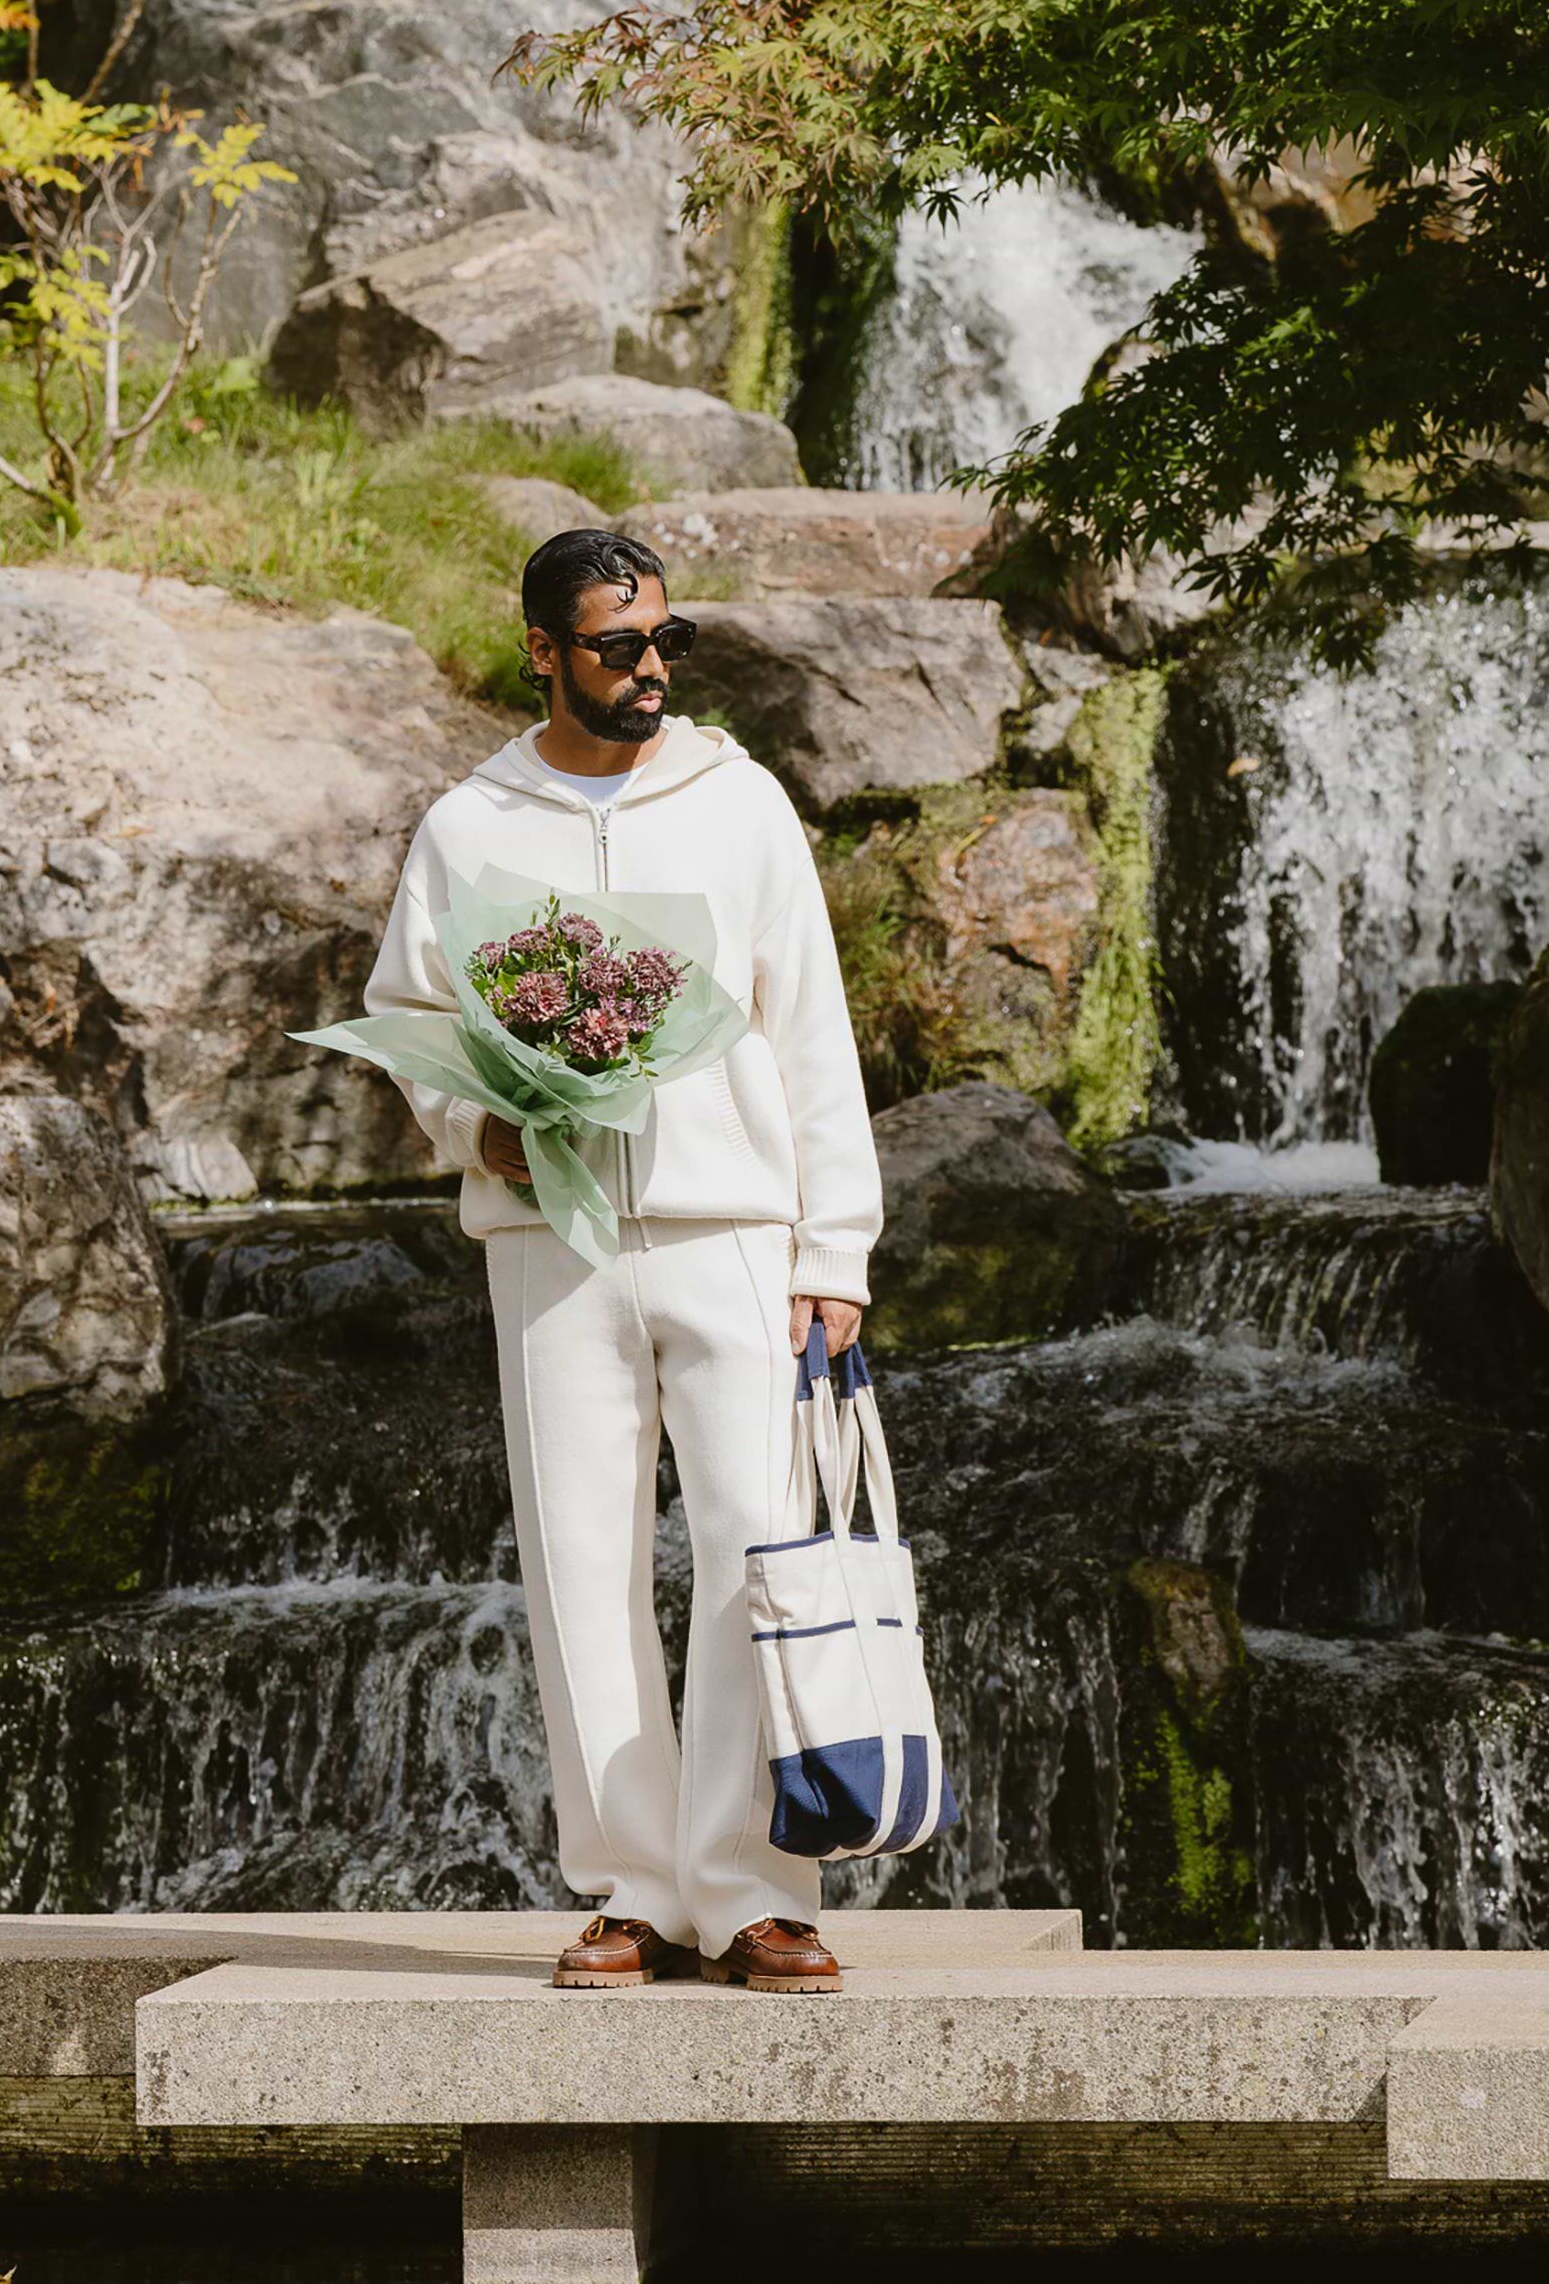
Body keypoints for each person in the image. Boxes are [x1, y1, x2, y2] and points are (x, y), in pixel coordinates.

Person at [364, 527, 881, 1995]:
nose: (650, 667)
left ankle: (754, 1890)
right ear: (542, 648)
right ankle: (634, 1891)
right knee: (581, 1567)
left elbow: (812, 1030)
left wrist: (833, 1244)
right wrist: (488, 1131)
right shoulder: (469, 824)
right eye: (616, 644)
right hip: (554, 1244)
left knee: (753, 1559)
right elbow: (411, 1014)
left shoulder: (741, 803)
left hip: (733, 1232)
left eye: (667, 640)